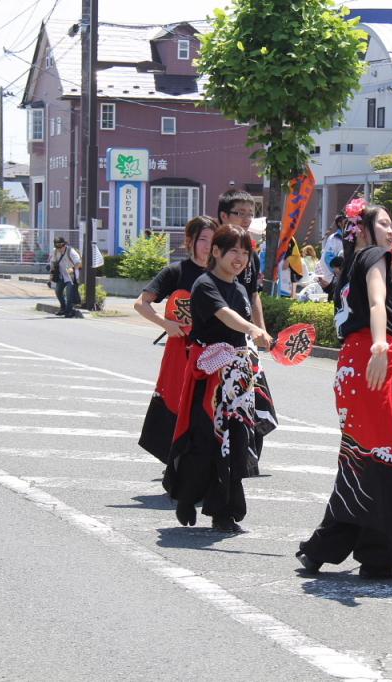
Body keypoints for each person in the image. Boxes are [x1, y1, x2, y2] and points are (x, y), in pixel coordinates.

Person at [296, 201, 392, 579]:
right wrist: (382, 345)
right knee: (390, 452)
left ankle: (325, 546)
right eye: (383, 223)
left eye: (391, 224)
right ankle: (380, 555)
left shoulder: (349, 266)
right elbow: (377, 301)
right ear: (364, 229)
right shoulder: (374, 256)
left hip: (353, 364)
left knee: (364, 453)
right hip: (373, 359)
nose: (391, 230)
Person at [163, 224, 273, 533]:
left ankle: (224, 513)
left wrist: (257, 338)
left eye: (245, 252)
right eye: (233, 251)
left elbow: (241, 325)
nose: (239, 258)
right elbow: (225, 315)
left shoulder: (240, 289)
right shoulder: (204, 284)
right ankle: (187, 497)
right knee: (204, 441)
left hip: (238, 379)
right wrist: (252, 328)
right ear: (216, 252)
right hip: (209, 376)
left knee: (236, 441)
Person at [135, 215, 216, 461]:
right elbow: (141, 303)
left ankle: (201, 459)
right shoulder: (176, 271)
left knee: (208, 404)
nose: (208, 246)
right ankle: (176, 457)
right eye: (203, 239)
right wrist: (165, 324)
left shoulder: (221, 273)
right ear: (190, 241)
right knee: (177, 399)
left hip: (214, 351)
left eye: (213, 240)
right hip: (180, 350)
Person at [217, 189, 277, 452]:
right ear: (223, 216)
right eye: (239, 213)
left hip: (244, 341)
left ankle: (247, 456)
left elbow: (254, 296)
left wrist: (260, 330)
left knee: (254, 398)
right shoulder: (213, 251)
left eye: (250, 214)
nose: (246, 219)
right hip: (215, 341)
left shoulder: (251, 254)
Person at [49, 236, 82, 318]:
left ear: (64, 245)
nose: (60, 249)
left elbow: (79, 262)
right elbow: (53, 263)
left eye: (61, 247)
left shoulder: (71, 251)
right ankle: (63, 308)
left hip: (71, 276)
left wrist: (73, 268)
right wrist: (51, 275)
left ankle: (69, 311)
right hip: (61, 275)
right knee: (58, 291)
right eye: (57, 247)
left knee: (69, 293)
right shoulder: (55, 251)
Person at [317, 214, 346, 290]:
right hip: (334, 276)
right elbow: (328, 257)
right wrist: (337, 271)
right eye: (345, 220)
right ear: (339, 223)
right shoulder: (334, 238)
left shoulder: (348, 237)